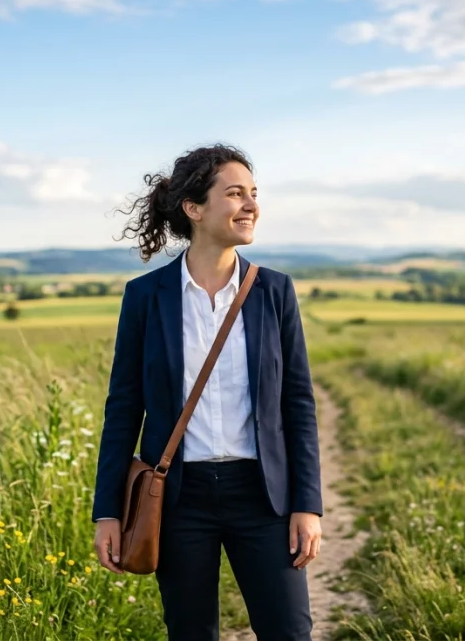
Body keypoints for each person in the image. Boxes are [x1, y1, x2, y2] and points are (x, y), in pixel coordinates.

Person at [91, 144, 324, 641]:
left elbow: (297, 405)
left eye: (254, 194)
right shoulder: (145, 297)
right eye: (235, 193)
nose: (251, 205)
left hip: (264, 497)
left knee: (289, 631)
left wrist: (308, 504)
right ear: (193, 209)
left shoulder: (274, 292)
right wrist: (108, 511)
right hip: (177, 499)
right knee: (191, 632)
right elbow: (124, 408)